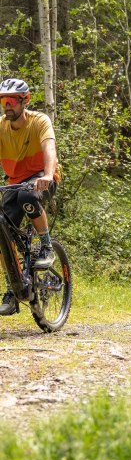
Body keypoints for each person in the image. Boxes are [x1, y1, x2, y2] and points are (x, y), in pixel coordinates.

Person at [0, 78, 60, 316]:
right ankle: (13, 288)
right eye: (4, 101)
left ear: (25, 101)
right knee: (2, 233)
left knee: (28, 194)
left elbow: (49, 149)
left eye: (12, 101)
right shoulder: (1, 125)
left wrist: (47, 175)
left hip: (40, 178)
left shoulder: (39, 121)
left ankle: (47, 246)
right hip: (13, 183)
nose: (7, 106)